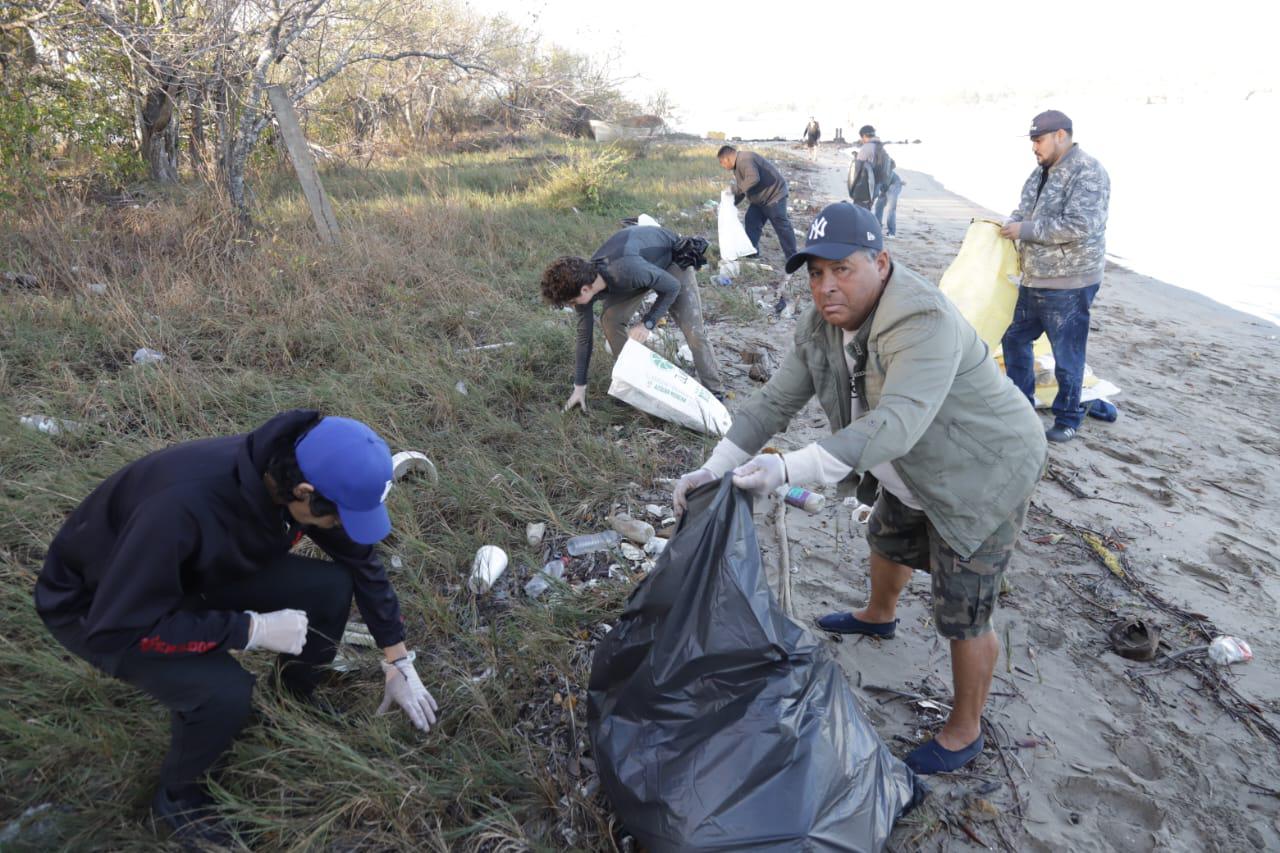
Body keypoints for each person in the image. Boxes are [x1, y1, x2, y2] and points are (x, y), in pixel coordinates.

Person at [672, 202, 1047, 775]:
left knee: (964, 609)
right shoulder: (823, 323)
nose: (826, 287)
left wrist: (785, 471)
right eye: (815, 273)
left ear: (881, 261)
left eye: (842, 269)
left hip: (980, 471)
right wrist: (716, 466)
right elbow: (774, 402)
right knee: (887, 535)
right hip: (910, 469)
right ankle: (878, 613)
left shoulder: (921, 320)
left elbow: (895, 423)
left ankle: (965, 728)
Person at [34, 410, 439, 844]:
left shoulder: (294, 476)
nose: (342, 528)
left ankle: (294, 697)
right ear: (304, 493)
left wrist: (398, 661)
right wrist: (251, 629)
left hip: (192, 573)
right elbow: (121, 626)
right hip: (103, 608)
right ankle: (180, 800)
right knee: (224, 692)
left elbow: (362, 564)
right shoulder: (180, 509)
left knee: (331, 587)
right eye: (339, 518)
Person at [999, 110, 1113, 442]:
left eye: (1038, 140)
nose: (1034, 147)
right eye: (1033, 140)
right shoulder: (1040, 172)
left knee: (1067, 354)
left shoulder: (1089, 172)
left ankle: (1068, 417)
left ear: (1060, 135)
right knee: (1015, 339)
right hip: (1034, 277)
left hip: (1071, 280)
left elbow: (1080, 225)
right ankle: (1021, 405)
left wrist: (1026, 229)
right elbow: (1024, 208)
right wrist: (1011, 223)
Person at [541, 224, 724, 411]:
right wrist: (579, 388)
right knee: (610, 320)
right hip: (639, 271)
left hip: (671, 263)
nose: (574, 306)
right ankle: (635, 383)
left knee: (693, 332)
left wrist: (648, 323)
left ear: (585, 289)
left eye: (572, 301)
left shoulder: (625, 270)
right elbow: (584, 338)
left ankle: (715, 391)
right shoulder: (584, 285)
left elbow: (672, 287)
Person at [716, 145, 799, 262]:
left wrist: (733, 189)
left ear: (727, 159)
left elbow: (753, 179)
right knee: (751, 220)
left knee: (781, 225)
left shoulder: (745, 159)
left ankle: (793, 257)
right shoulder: (737, 166)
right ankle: (752, 252)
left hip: (774, 194)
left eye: (722, 163)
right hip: (760, 199)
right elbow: (744, 188)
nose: (723, 166)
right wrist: (730, 204)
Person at [847, 125, 890, 210]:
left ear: (864, 136)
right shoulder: (880, 147)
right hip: (876, 185)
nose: (861, 140)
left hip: (864, 186)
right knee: (868, 209)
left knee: (859, 210)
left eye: (861, 137)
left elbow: (857, 167)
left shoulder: (866, 147)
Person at [875, 170, 904, 238]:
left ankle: (891, 233)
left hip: (895, 184)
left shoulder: (876, 167)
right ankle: (877, 229)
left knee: (891, 208)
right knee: (878, 206)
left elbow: (876, 188)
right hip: (885, 186)